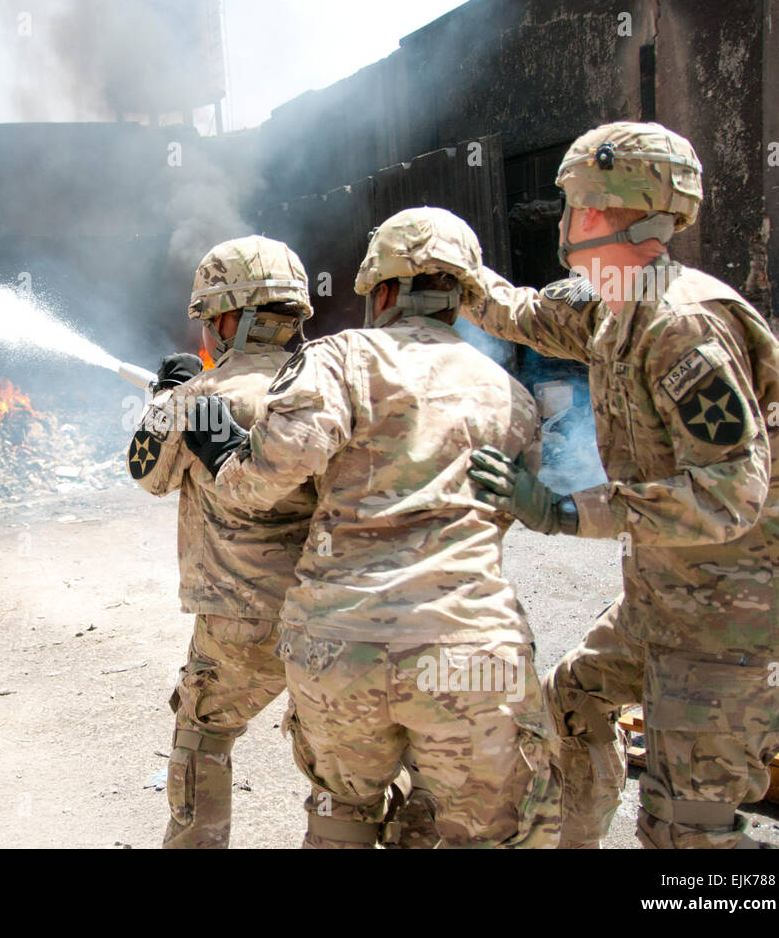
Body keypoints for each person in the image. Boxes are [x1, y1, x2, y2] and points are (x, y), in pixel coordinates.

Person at [464, 120, 779, 848]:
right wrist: (456, 276)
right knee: (570, 702)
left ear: (596, 211)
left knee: (686, 833)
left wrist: (565, 509)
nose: (564, 222)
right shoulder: (616, 307)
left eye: (570, 205)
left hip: (742, 611)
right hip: (673, 595)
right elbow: (525, 314)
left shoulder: (680, 326)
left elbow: (730, 494)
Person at [182, 208, 560, 848]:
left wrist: (224, 457)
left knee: (340, 819)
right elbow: (511, 508)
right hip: (469, 656)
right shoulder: (510, 393)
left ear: (381, 289)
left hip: (339, 651)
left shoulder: (339, 360)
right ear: (465, 295)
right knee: (486, 833)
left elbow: (274, 472)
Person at [128, 235, 320, 848]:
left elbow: (145, 472)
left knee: (202, 738)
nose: (208, 330)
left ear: (232, 317)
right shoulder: (331, 383)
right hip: (335, 612)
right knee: (343, 765)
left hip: (240, 620)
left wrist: (166, 400)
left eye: (212, 318)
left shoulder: (200, 398)